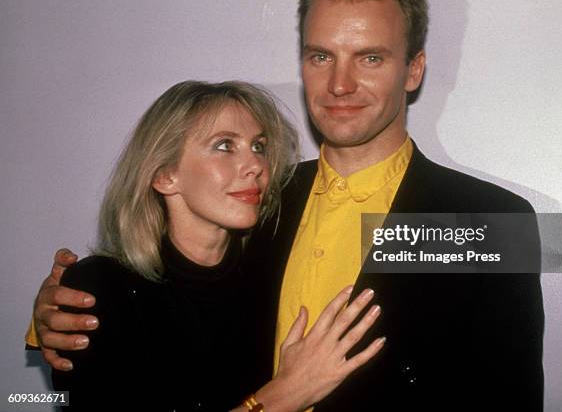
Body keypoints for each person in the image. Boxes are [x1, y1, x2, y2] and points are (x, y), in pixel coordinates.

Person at [29, 0, 544, 410]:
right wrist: (56, 311)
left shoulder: (490, 222)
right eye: (322, 56)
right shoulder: (256, 203)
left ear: (413, 70)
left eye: (369, 57)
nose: (340, 84)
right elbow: (166, 304)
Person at [42, 80, 385, 411]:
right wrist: (284, 396)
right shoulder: (99, 289)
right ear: (165, 175)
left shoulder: (268, 266)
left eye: (259, 147)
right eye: (225, 146)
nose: (256, 166)